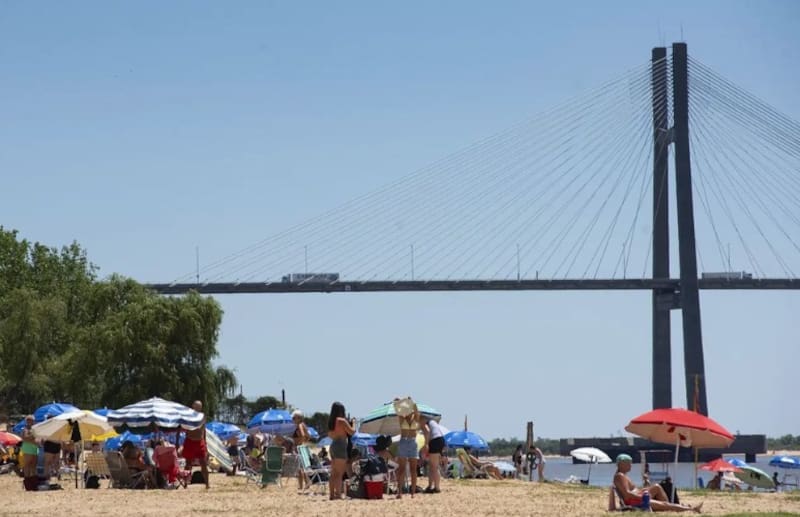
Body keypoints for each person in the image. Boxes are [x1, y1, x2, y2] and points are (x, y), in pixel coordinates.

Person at [614, 454, 702, 513]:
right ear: (621, 464)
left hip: (636, 499)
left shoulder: (621, 475)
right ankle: (690, 509)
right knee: (664, 503)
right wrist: (641, 497)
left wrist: (643, 488)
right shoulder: (620, 476)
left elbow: (629, 492)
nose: (630, 465)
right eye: (628, 463)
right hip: (635, 502)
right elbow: (627, 494)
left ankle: (673, 506)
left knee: (657, 487)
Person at [327, 401, 354, 500]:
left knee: (333, 473)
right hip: (341, 445)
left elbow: (329, 434)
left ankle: (331, 495)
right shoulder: (341, 421)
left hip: (333, 445)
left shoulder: (331, 421)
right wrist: (353, 423)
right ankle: (338, 494)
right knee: (339, 473)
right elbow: (351, 432)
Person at [394, 397, 421, 498]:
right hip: (404, 442)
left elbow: (417, 411)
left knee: (414, 469)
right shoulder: (402, 417)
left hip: (413, 443)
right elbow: (396, 406)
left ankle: (413, 493)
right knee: (401, 469)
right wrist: (400, 401)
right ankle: (399, 492)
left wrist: (411, 401)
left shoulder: (416, 417)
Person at [183, 400, 209, 489]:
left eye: (199, 407)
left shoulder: (203, 416)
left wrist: (205, 443)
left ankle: (207, 484)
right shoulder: (188, 416)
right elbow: (183, 428)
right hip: (190, 441)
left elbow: (204, 430)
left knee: (204, 463)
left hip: (199, 441)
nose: (198, 408)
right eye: (196, 407)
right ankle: (185, 483)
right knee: (188, 463)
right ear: (193, 407)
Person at [422, 417, 445, 493]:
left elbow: (427, 431)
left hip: (434, 440)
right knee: (432, 466)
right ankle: (430, 486)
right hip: (440, 439)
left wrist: (426, 444)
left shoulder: (422, 420)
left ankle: (437, 488)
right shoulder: (431, 421)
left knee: (434, 466)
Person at [292, 410, 310, 490]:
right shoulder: (304, 425)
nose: (293, 419)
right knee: (303, 467)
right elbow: (308, 436)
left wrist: (298, 444)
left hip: (298, 448)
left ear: (298, 418)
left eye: (294, 418)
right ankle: (307, 483)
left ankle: (301, 485)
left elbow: (303, 436)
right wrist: (303, 442)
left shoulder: (299, 425)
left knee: (299, 468)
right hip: (303, 447)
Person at [20, 415, 39, 490]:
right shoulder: (25, 429)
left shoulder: (35, 429)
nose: (31, 422)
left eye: (32, 420)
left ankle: (33, 484)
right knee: (27, 466)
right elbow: (25, 438)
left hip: (35, 449)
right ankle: (28, 485)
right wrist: (33, 438)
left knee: (33, 466)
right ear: (27, 421)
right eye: (29, 420)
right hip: (27, 449)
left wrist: (33, 438)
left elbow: (38, 439)